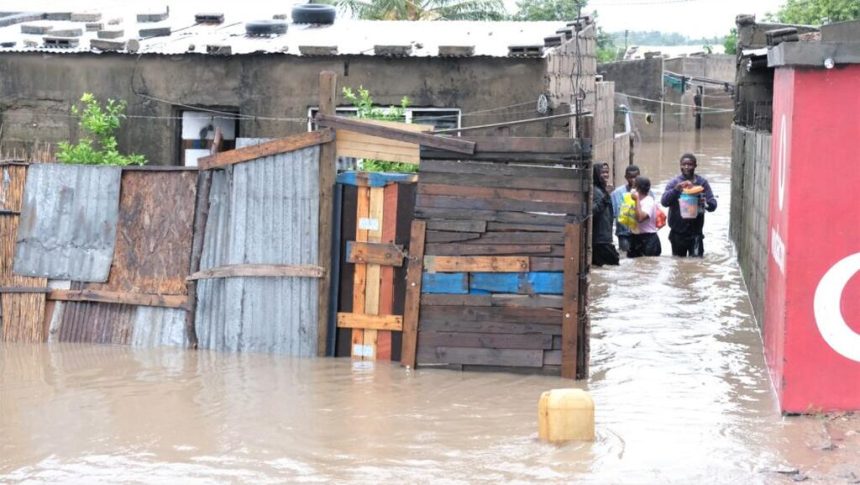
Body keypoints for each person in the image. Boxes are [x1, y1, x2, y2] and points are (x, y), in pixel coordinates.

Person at [660, 153, 717, 257]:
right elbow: (664, 202)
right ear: (680, 165)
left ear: (695, 166)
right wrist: (676, 190)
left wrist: (699, 196)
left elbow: (712, 204)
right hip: (677, 232)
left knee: (696, 264)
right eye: (684, 164)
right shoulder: (674, 183)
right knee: (679, 264)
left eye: (690, 164)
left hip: (696, 233)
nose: (686, 167)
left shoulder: (702, 183)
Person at [611, 164, 652, 253]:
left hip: (642, 234)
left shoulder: (647, 192)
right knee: (626, 259)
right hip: (624, 234)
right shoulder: (616, 193)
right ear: (626, 177)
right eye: (630, 177)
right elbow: (612, 215)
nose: (633, 180)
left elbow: (651, 212)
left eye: (636, 177)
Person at [591, 162, 619, 266]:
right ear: (596, 174)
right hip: (600, 241)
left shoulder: (601, 190)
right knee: (613, 266)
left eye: (607, 172)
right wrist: (606, 195)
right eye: (603, 172)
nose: (606, 175)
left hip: (605, 239)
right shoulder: (594, 191)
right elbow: (592, 212)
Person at [628, 176, 662, 257]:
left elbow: (640, 218)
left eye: (633, 186)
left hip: (648, 240)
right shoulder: (634, 201)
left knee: (647, 266)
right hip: (636, 238)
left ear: (638, 188)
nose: (632, 189)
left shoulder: (648, 201)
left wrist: (636, 200)